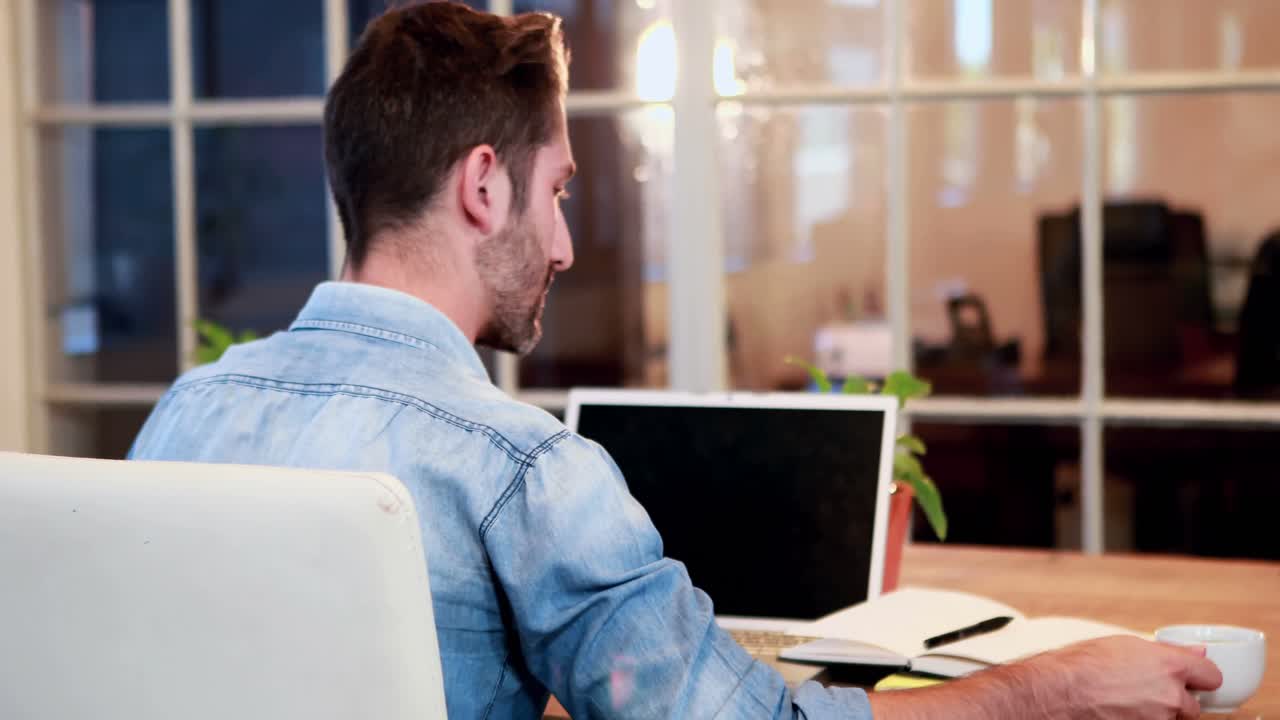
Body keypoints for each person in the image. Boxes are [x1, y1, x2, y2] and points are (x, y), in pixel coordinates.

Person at [129, 2, 1222, 717]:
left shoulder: (186, 417)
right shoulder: (516, 471)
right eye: (556, 190)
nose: (562, 244)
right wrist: (1059, 685)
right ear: (479, 186)